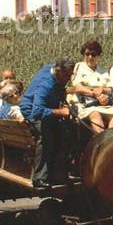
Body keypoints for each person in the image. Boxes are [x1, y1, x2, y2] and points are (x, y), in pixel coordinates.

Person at [20, 57, 76, 189]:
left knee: (68, 132)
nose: (69, 78)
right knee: (46, 135)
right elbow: (37, 111)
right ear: (58, 71)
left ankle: (59, 172)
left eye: (71, 74)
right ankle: (39, 177)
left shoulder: (51, 69)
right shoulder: (46, 84)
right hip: (31, 112)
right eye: (67, 75)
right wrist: (60, 112)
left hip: (47, 108)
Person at [67, 40, 113, 132]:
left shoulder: (103, 72)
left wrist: (102, 90)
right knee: (95, 115)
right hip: (85, 105)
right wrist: (94, 94)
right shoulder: (79, 67)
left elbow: (110, 89)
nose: (90, 57)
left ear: (98, 56)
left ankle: (111, 143)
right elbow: (78, 87)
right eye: (87, 54)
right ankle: (101, 141)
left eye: (93, 54)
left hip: (103, 105)